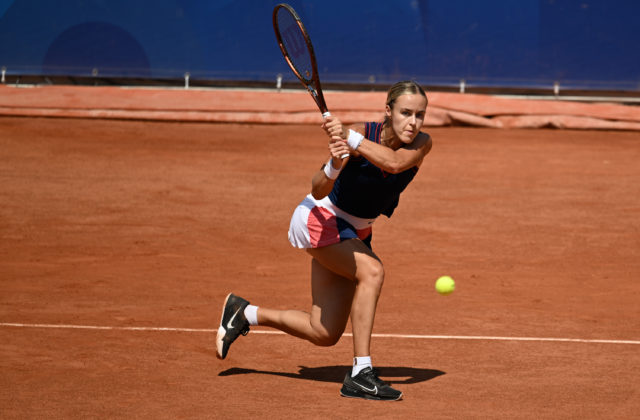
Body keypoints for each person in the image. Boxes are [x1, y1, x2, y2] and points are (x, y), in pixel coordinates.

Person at [216, 80, 432, 401]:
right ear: (388, 112)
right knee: (372, 272)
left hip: (356, 230)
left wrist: (350, 137)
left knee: (324, 332)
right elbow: (317, 189)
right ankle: (361, 373)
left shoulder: (421, 143)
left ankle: (244, 313)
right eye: (405, 113)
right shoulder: (361, 132)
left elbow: (394, 163)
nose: (413, 122)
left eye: (419, 115)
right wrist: (334, 164)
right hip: (320, 217)